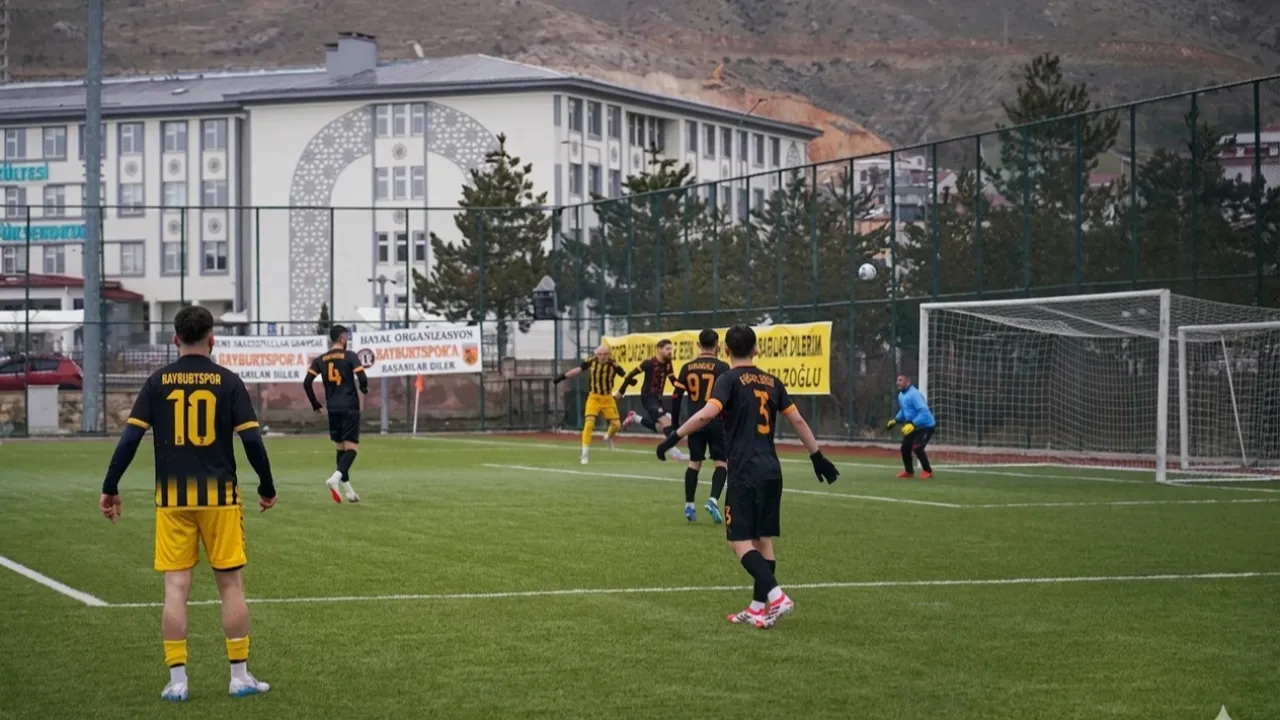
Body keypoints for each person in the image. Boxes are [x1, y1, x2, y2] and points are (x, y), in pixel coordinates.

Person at [98, 305, 276, 702]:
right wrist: (267, 486)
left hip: (172, 500)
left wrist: (110, 486)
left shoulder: (157, 382)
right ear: (212, 339)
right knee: (230, 585)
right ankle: (239, 676)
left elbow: (129, 440)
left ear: (175, 339)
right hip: (220, 500)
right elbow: (251, 440)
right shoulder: (228, 381)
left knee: (176, 588)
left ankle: (177, 681)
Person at [658, 324, 839, 629]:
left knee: (739, 541)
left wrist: (673, 436)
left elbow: (707, 413)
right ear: (756, 349)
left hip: (745, 471)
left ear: (726, 350)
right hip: (771, 470)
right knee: (762, 540)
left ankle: (777, 596)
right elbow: (797, 420)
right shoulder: (772, 381)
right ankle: (757, 608)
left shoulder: (729, 380)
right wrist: (817, 456)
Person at [671, 329, 730, 523]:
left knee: (694, 463)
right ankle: (713, 499)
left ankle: (689, 505)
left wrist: (675, 425)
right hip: (717, 421)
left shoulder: (687, 367)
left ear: (698, 345)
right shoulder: (723, 367)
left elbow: (676, 396)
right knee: (721, 462)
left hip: (695, 421)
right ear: (717, 344)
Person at [304, 325, 368, 503]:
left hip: (332, 407)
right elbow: (362, 378)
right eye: (346, 336)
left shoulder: (320, 359)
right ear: (342, 338)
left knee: (341, 448)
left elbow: (307, 383)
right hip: (349, 406)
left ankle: (348, 491)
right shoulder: (350, 356)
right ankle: (334, 478)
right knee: (352, 448)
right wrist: (363, 388)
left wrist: (315, 404)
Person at [554, 344, 627, 464]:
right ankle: (585, 453)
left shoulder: (613, 364)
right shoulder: (591, 361)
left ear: (609, 354)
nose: (602, 357)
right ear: (596, 354)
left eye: (605, 354)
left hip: (608, 398)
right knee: (589, 424)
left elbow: (626, 377)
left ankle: (608, 436)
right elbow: (577, 370)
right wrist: (562, 377)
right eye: (600, 354)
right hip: (594, 397)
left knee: (616, 425)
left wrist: (622, 391)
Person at [621, 339, 689, 462]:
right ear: (659, 349)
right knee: (668, 424)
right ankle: (675, 453)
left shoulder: (668, 363)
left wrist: (686, 387)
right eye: (667, 349)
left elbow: (673, 380)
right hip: (648, 398)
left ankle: (635, 417)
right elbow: (631, 374)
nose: (670, 351)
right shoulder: (649, 363)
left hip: (658, 399)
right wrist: (621, 391)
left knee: (660, 428)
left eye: (671, 348)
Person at [886, 374, 936, 479]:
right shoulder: (901, 395)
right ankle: (909, 472)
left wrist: (913, 424)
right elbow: (904, 410)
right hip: (913, 426)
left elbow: (924, 412)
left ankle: (927, 471)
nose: (897, 382)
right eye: (897, 380)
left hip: (925, 426)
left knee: (917, 447)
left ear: (908, 382)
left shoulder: (914, 394)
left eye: (900, 380)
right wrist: (895, 420)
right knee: (905, 448)